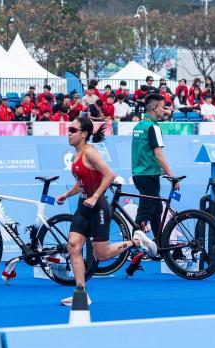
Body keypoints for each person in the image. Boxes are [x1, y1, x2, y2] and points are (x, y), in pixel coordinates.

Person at [56, 118, 147, 305]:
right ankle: (81, 293)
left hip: (98, 208)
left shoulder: (90, 152)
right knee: (73, 246)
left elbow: (109, 175)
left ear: (84, 134)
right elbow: (80, 183)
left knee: (102, 255)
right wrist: (67, 194)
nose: (69, 133)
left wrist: (95, 196)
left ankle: (136, 241)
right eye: (69, 129)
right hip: (83, 206)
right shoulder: (76, 154)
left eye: (73, 130)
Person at [131, 93, 180, 253]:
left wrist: (162, 171)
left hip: (139, 174)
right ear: (155, 108)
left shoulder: (138, 126)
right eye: (163, 107)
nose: (165, 111)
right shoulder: (153, 127)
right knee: (143, 213)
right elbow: (158, 154)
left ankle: (159, 245)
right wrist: (172, 176)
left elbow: (145, 152)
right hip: (149, 175)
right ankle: (135, 250)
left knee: (157, 210)